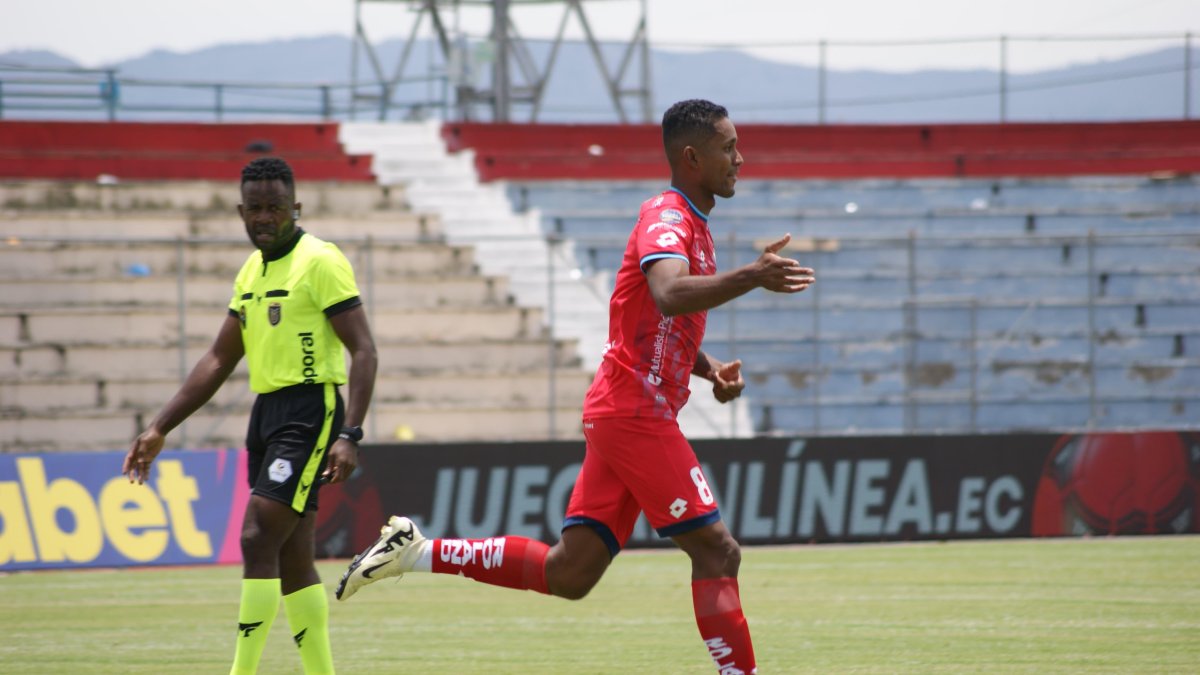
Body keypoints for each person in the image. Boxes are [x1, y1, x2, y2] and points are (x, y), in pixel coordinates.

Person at [335, 99, 814, 674]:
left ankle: (417, 551)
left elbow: (654, 319)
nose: (741, 157)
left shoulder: (694, 222)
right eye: (728, 147)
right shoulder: (667, 217)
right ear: (692, 157)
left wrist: (707, 368)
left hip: (626, 408)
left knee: (570, 573)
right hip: (635, 412)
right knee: (718, 550)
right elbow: (667, 291)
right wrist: (752, 277)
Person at [123, 156, 378, 675]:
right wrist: (159, 427)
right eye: (255, 208)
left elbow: (365, 350)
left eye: (275, 208)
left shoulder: (320, 261)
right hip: (266, 415)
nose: (265, 217)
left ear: (295, 208)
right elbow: (219, 357)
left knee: (257, 536)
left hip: (310, 411)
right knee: (291, 557)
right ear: (242, 211)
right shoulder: (251, 271)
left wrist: (350, 433)